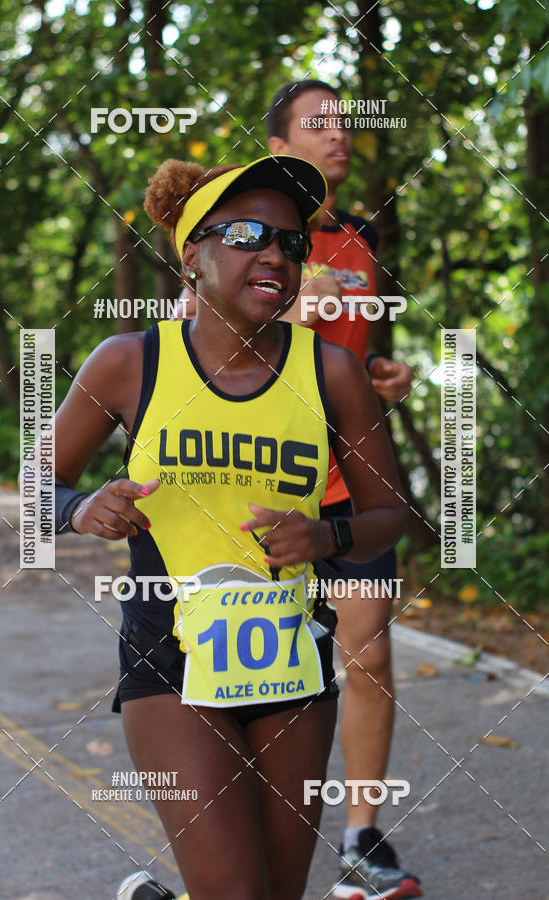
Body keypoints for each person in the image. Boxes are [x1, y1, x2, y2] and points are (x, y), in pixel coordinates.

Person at [53, 153, 406, 900]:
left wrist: (326, 539)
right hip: (170, 665)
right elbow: (34, 481)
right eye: (248, 234)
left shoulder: (331, 373)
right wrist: (77, 508)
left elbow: (397, 515)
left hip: (292, 664)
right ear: (193, 256)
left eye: (290, 242)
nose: (275, 253)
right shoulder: (130, 364)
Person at [267, 81, 422, 900]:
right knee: (267, 671)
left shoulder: (356, 239)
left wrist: (379, 377)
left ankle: (362, 839)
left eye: (345, 124)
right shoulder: (250, 231)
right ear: (280, 145)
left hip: (350, 479)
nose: (340, 136)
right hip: (261, 479)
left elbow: (349, 358)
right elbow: (203, 345)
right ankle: (235, 839)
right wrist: (293, 312)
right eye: (318, 125)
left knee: (369, 649)